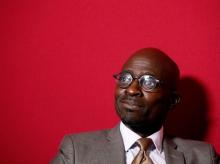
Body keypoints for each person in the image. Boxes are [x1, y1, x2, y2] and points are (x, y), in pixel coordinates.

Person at [52, 48, 219, 164]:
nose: (132, 90)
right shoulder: (76, 151)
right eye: (125, 78)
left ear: (172, 101)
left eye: (148, 82)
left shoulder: (204, 157)